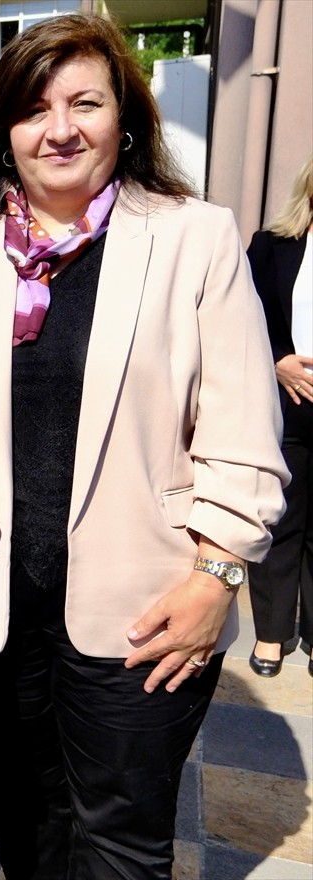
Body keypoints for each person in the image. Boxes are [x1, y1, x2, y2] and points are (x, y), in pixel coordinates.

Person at [0, 14, 287, 878]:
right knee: (23, 821)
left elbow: (245, 431)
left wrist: (216, 578)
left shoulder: (194, 238)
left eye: (84, 104)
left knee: (120, 841)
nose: (59, 128)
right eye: (34, 109)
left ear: (125, 118)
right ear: (5, 132)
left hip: (148, 608)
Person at [245, 154, 313, 678]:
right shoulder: (271, 246)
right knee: (279, 521)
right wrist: (276, 360)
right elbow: (241, 317)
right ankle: (271, 633)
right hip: (286, 407)